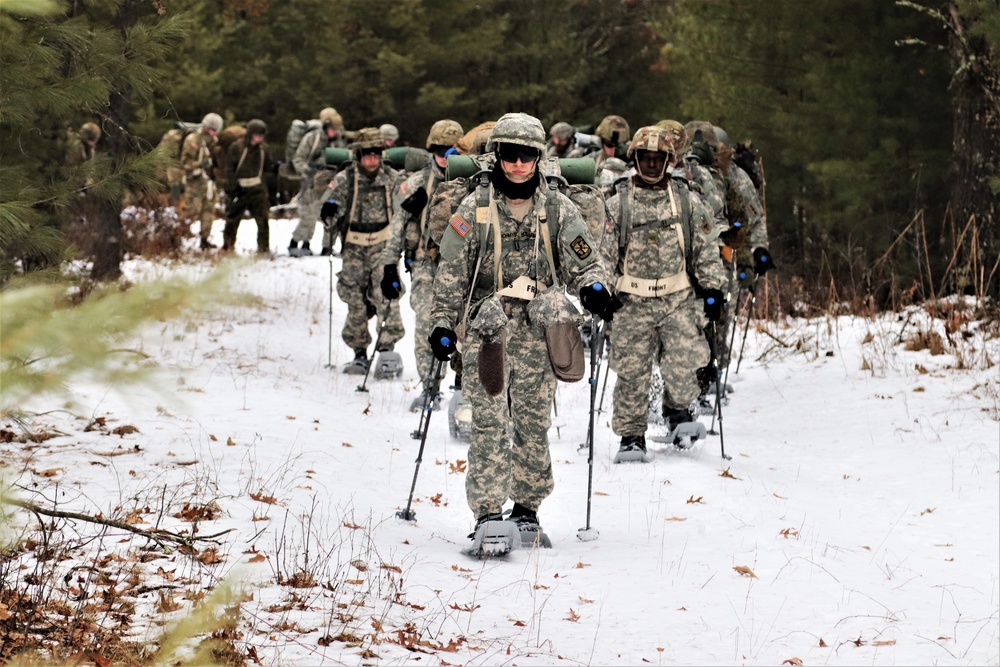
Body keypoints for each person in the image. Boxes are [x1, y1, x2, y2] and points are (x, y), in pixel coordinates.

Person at [428, 112, 612, 548]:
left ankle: (527, 511)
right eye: (508, 155)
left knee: (532, 425)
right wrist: (441, 325)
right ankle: (489, 515)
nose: (517, 165)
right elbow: (451, 273)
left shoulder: (558, 209)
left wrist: (595, 288)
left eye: (526, 156)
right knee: (490, 424)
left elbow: (584, 261)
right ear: (497, 157)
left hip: (538, 334)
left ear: (538, 158)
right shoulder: (473, 209)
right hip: (488, 332)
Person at [602, 125, 727, 460]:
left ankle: (676, 410)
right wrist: (600, 290)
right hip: (631, 302)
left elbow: (706, 250)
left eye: (659, 158)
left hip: (678, 299)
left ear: (669, 160)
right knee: (631, 372)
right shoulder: (618, 205)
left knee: (688, 364)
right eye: (646, 158)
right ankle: (631, 434)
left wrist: (714, 287)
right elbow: (603, 254)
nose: (653, 165)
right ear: (636, 159)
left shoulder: (688, 202)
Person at [380, 119, 463, 383]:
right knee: (427, 324)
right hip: (425, 264)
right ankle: (429, 384)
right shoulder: (418, 181)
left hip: (462, 266)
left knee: (466, 326)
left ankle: (464, 384)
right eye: (438, 150)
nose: (443, 156)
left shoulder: (472, 182)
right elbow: (397, 225)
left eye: (450, 150)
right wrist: (389, 266)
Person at [321, 127, 405, 374]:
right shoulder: (346, 179)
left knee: (386, 296)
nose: (372, 159)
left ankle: (387, 351)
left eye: (376, 153)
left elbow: (406, 209)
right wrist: (328, 212)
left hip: (383, 245)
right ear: (358, 155)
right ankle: (359, 352)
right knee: (355, 300)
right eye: (367, 154)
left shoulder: (391, 178)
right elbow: (327, 208)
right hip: (354, 247)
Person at [289, 107, 346, 256]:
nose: (334, 133)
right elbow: (298, 159)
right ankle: (297, 243)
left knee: (332, 215)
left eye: (336, 129)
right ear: (325, 126)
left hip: (332, 182)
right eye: (332, 129)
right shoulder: (312, 138)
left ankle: (327, 246)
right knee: (309, 214)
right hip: (311, 182)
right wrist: (308, 171)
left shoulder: (339, 141)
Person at [223, 119, 274, 255]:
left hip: (257, 189)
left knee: (263, 220)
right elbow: (229, 169)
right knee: (232, 220)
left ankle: (263, 249)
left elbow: (268, 169)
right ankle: (228, 247)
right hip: (240, 189)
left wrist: (275, 170)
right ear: (250, 134)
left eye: (262, 135)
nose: (260, 138)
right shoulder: (237, 147)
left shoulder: (264, 149)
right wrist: (233, 188)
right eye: (257, 135)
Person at [181, 112, 223, 249]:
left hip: (209, 182)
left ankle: (204, 239)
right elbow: (185, 163)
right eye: (211, 129)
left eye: (215, 131)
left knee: (208, 212)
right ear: (205, 127)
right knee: (191, 211)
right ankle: (178, 237)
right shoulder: (193, 140)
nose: (213, 133)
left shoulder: (214, 143)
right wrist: (199, 165)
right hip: (195, 182)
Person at [590, 115, 630, 184]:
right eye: (609, 144)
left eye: (618, 145)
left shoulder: (633, 159)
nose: (613, 149)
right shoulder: (594, 158)